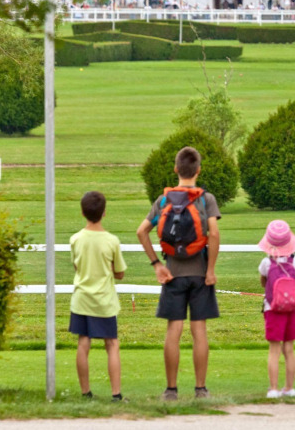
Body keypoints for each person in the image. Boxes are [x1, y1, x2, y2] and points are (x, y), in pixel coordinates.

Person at [136, 146, 221, 401]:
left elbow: (142, 232)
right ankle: (200, 389)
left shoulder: (164, 200)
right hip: (199, 274)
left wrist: (156, 265)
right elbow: (214, 234)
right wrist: (211, 270)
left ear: (176, 169)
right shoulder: (206, 199)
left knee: (173, 330)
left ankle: (171, 390)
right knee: (199, 332)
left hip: (171, 273)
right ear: (198, 170)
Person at [68, 191, 127, 402]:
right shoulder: (111, 241)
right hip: (104, 300)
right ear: (104, 213)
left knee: (84, 343)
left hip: (82, 299)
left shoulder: (75, 239)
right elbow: (119, 273)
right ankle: (116, 394)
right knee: (111, 344)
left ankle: (86, 392)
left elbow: (77, 266)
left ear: (83, 212)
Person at [258, 220, 295, 399]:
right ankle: (289, 388)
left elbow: (264, 283)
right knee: (289, 349)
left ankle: (273, 388)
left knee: (274, 350)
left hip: (272, 309)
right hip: (293, 309)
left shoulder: (266, 262)